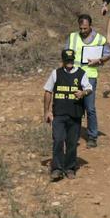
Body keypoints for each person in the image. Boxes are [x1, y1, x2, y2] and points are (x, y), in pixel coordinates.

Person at [42, 49, 93, 181]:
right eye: (67, 60)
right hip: (58, 114)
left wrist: (83, 93)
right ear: (63, 61)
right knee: (58, 140)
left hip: (74, 114)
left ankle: (70, 168)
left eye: (71, 60)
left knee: (71, 143)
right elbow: (48, 91)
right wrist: (46, 111)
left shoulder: (81, 74)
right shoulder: (56, 73)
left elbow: (89, 88)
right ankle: (57, 169)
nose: (69, 63)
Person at [65, 14, 110, 148]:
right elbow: (65, 54)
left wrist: (99, 60)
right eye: (81, 28)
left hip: (90, 76)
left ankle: (92, 136)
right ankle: (73, 134)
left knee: (90, 107)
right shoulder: (73, 37)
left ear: (90, 26)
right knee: (73, 106)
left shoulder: (99, 39)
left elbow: (108, 54)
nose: (83, 31)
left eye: (85, 28)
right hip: (74, 76)